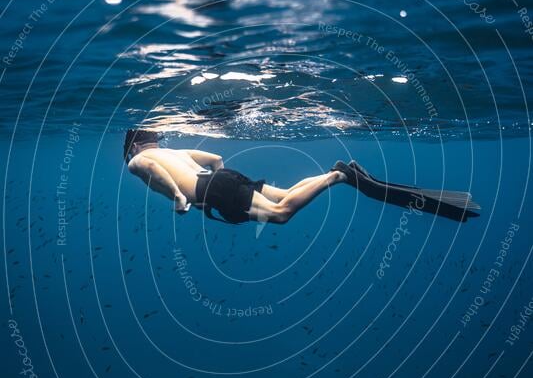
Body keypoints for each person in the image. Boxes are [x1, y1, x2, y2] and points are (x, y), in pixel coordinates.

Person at [124, 128, 480, 225]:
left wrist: (182, 199)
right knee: (281, 196)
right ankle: (336, 174)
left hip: (209, 190)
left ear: (132, 149)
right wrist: (216, 184)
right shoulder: (175, 150)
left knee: (280, 215)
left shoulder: (139, 162)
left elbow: (152, 170)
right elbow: (216, 158)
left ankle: (338, 178)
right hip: (219, 179)